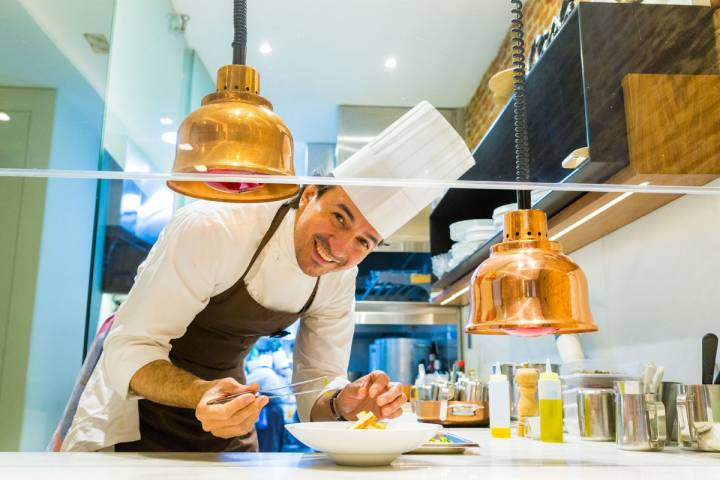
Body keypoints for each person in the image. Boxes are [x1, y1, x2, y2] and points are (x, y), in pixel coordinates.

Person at [61, 101, 474, 452]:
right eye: (339, 217)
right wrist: (199, 393)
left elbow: (317, 386)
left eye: (364, 241)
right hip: (131, 417)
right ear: (309, 194)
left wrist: (345, 402)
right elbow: (128, 348)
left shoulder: (338, 277)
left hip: (227, 419)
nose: (341, 249)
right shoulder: (214, 229)